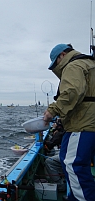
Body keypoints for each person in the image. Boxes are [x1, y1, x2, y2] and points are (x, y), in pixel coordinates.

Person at [43, 43, 95, 201]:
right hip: (90, 125)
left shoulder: (74, 66)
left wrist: (52, 111)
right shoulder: (90, 63)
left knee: (73, 164)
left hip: (82, 124)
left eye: (56, 63)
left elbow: (72, 92)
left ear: (62, 56)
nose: (57, 67)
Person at [44, 118, 66, 192]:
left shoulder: (60, 133)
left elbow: (50, 146)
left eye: (56, 123)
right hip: (77, 154)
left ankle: (60, 186)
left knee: (48, 161)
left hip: (69, 156)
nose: (53, 124)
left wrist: (43, 142)